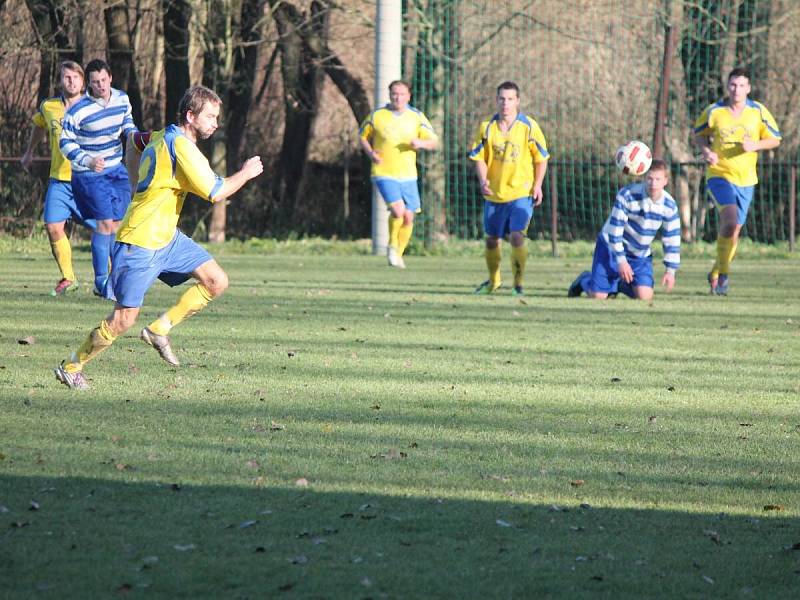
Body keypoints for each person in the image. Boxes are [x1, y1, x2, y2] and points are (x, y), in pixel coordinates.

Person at [54, 85, 263, 390]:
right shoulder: (184, 147)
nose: (215, 123)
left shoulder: (161, 134)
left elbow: (133, 141)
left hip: (167, 239)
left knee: (216, 280)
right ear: (190, 116)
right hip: (140, 243)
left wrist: (134, 180)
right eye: (210, 116)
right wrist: (245, 172)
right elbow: (216, 192)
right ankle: (71, 366)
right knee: (123, 320)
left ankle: (159, 329)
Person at [693, 67, 781, 295]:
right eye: (733, 85)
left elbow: (775, 139)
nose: (737, 90)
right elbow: (698, 134)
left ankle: (716, 271)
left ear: (748, 88)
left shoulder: (757, 111)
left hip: (747, 180)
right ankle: (723, 278)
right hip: (719, 175)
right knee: (730, 220)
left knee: (733, 232)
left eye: (742, 85)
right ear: (727, 86)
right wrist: (706, 152)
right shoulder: (715, 111)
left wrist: (756, 145)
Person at [59, 58, 139, 298]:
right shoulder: (77, 110)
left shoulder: (122, 98)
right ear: (89, 85)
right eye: (95, 82)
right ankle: (101, 281)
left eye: (103, 80)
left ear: (110, 78)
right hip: (90, 174)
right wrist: (88, 160)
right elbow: (64, 142)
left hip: (117, 170)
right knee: (104, 224)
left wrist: (135, 136)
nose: (100, 86)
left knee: (118, 224)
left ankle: (115, 279)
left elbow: (127, 123)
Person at [21, 61, 96, 296]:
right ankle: (68, 277)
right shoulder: (50, 106)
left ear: (83, 82)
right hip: (59, 180)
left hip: (87, 180)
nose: (71, 81)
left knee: (105, 231)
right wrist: (29, 151)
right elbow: (39, 126)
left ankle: (110, 281)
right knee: (53, 226)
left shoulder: (94, 107)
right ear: (60, 80)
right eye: (66, 77)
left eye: (75, 77)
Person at [468, 81, 549, 296]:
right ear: (496, 101)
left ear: (518, 101)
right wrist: (483, 180)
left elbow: (541, 158)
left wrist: (538, 185)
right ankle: (494, 281)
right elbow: (479, 158)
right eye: (502, 99)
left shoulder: (528, 127)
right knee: (492, 239)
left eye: (510, 99)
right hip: (495, 194)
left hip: (521, 192)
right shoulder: (486, 127)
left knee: (516, 236)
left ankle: (518, 284)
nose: (505, 103)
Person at [567, 159, 680, 300]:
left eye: (658, 179)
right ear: (644, 178)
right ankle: (584, 280)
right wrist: (621, 261)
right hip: (611, 247)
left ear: (666, 181)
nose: (653, 183)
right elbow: (615, 231)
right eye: (650, 178)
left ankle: (617, 284)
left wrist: (671, 271)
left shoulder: (670, 205)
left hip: (639, 254)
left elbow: (672, 238)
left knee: (645, 297)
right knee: (598, 296)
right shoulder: (627, 195)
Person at [359, 80, 438, 268]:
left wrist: (421, 143)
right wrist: (371, 153)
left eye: (402, 94)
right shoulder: (378, 116)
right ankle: (392, 245)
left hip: (409, 174)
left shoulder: (416, 117)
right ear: (389, 95)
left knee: (409, 217)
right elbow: (362, 136)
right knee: (398, 210)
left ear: (408, 96)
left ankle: (398, 253)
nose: (398, 97)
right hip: (383, 171)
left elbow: (433, 141)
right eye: (394, 93)